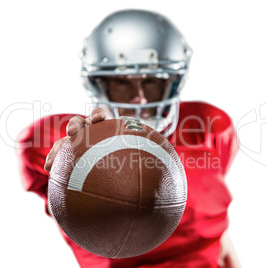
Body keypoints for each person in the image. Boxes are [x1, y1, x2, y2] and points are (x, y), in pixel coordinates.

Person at [16, 9, 241, 268]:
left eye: (152, 81)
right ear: (99, 84)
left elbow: (217, 234)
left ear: (173, 81)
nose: (140, 98)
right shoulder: (62, 139)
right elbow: (74, 213)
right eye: (122, 82)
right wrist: (74, 162)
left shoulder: (208, 126)